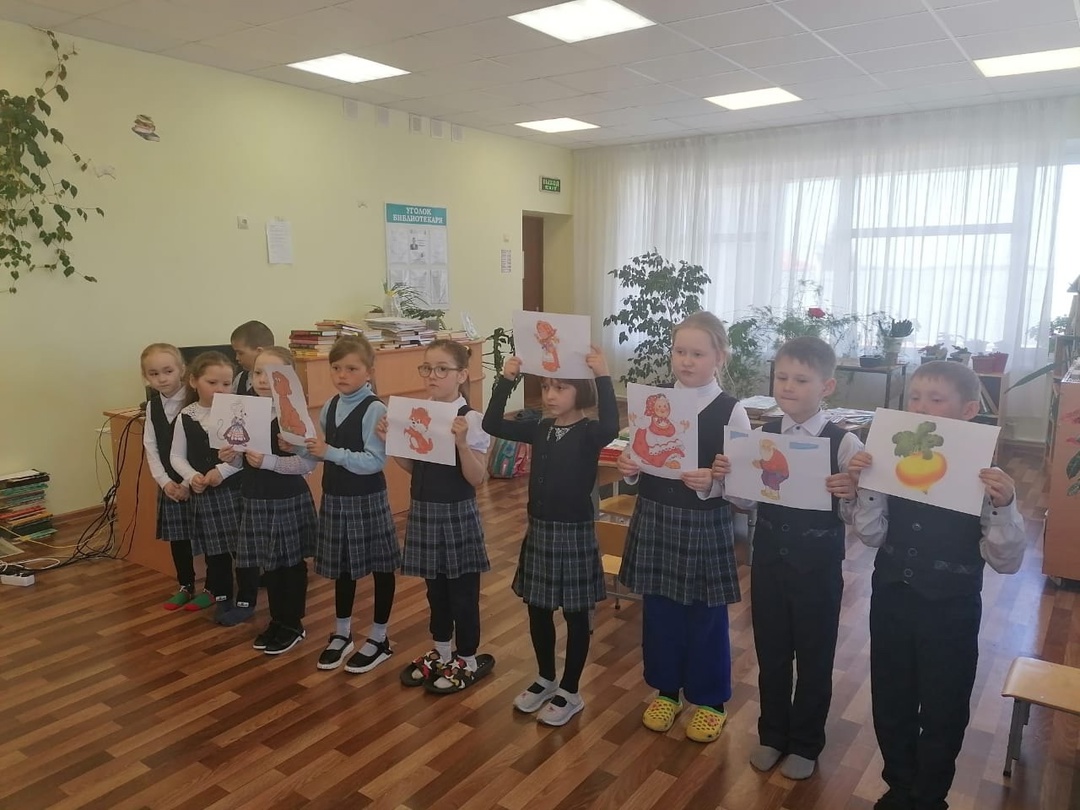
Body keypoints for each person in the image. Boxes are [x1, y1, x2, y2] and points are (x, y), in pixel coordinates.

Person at [849, 360, 1025, 810]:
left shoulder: (986, 478)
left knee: (945, 706)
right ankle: (899, 786)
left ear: (968, 410)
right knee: (891, 698)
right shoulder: (892, 461)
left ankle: (930, 797)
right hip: (892, 598)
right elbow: (870, 535)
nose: (921, 407)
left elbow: (1006, 561)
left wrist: (1004, 505)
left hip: (951, 609)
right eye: (914, 397)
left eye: (935, 399)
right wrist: (868, 484)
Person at [617, 311, 750, 743]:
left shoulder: (732, 411)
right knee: (659, 610)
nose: (686, 361)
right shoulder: (653, 402)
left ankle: (711, 701)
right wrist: (629, 469)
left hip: (703, 523)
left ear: (719, 357)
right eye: (680, 351)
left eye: (697, 353)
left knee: (705, 615)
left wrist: (713, 483)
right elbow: (638, 455)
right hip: (655, 515)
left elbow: (745, 487)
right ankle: (666, 691)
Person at [482, 346, 618, 726]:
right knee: (538, 609)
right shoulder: (539, 427)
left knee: (575, 615)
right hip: (540, 531)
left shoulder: (590, 432)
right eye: (545, 387)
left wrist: (603, 375)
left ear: (580, 391)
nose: (550, 395)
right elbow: (491, 423)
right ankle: (545, 678)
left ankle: (570, 690)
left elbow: (611, 425)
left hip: (574, 534)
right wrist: (507, 379)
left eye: (560, 388)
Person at [747, 336, 861, 780]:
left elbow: (858, 516)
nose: (788, 386)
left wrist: (850, 492)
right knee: (771, 653)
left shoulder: (843, 443)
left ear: (826, 386)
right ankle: (773, 734)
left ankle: (807, 742)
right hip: (768, 563)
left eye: (800, 379)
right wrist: (729, 476)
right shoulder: (762, 436)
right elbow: (745, 500)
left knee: (814, 657)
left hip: (817, 569)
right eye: (781, 377)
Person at [383, 339, 494, 693]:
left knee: (463, 591)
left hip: (457, 511)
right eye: (427, 368)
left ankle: (468, 657)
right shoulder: (421, 412)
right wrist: (392, 443)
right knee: (435, 589)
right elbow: (414, 467)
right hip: (424, 511)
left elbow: (477, 478)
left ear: (461, 375)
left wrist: (461, 444)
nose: (432, 375)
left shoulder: (471, 419)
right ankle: (443, 651)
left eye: (442, 369)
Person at [294, 336, 400, 674]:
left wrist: (330, 452)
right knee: (342, 568)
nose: (342, 375)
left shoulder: (375, 409)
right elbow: (322, 452)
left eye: (351, 369)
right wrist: (298, 446)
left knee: (381, 567)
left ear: (369, 371)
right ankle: (342, 633)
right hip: (335, 498)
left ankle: (380, 637)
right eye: (336, 368)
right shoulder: (330, 405)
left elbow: (374, 461)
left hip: (367, 498)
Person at [220, 347, 317, 654]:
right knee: (270, 566)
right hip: (255, 497)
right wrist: (231, 457)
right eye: (258, 372)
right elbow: (242, 460)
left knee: (290, 565)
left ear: (289, 378)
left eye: (273, 374)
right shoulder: (245, 409)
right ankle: (278, 620)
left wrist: (269, 462)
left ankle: (293, 623)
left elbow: (308, 464)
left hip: (286, 498)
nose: (263, 380)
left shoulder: (295, 414)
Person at [169, 351, 247, 620]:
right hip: (205, 495)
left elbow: (245, 454)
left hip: (235, 490)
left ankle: (246, 598)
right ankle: (222, 596)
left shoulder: (238, 412)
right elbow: (176, 456)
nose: (220, 389)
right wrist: (192, 477)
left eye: (226, 384)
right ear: (194, 381)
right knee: (216, 551)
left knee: (242, 549)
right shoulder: (186, 416)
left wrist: (221, 471)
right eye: (212, 383)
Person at [140, 343, 196, 610]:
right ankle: (186, 584)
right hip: (170, 484)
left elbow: (202, 449)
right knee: (179, 538)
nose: (162, 379)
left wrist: (187, 482)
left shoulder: (196, 401)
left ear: (182, 370)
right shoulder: (152, 407)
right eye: (154, 374)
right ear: (146, 377)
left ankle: (215, 587)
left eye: (168, 371)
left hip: (196, 481)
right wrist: (164, 482)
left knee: (209, 537)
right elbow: (150, 446)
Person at [231, 320, 275, 396]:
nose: (237, 358)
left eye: (240, 353)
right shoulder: (240, 379)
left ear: (260, 352)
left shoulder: (280, 380)